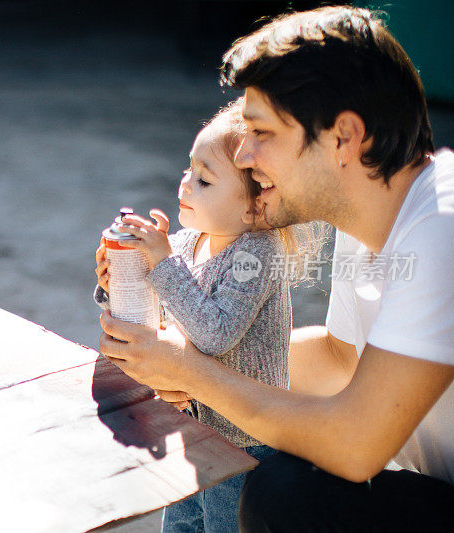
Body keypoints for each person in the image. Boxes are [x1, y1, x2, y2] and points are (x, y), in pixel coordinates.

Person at [97, 5, 454, 531]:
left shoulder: (441, 228)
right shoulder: (374, 227)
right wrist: (183, 357)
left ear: (344, 138)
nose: (243, 153)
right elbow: (340, 357)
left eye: (262, 132)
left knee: (284, 494)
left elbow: (354, 445)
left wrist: (195, 372)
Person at [95, 100, 317, 533]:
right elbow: (157, 315)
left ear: (254, 206)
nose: (185, 184)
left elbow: (215, 334)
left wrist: (161, 264)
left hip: (244, 442)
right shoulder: (187, 242)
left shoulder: (257, 253)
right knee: (178, 527)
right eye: (188, 168)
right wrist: (117, 278)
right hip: (193, 429)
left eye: (204, 179)